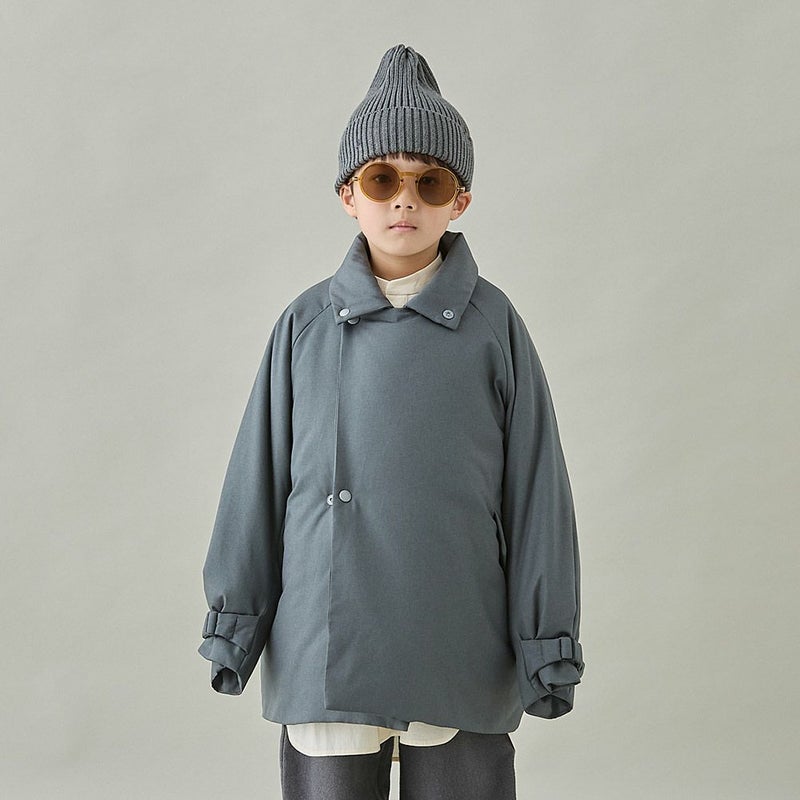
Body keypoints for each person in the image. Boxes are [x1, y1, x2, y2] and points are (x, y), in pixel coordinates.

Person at [198, 43, 585, 800]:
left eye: (427, 181)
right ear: (349, 195)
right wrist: (234, 623)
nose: (403, 200)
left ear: (458, 201)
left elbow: (538, 493)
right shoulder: (305, 325)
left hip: (457, 635)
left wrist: (547, 642)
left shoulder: (494, 326)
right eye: (382, 179)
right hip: (325, 641)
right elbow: (256, 480)